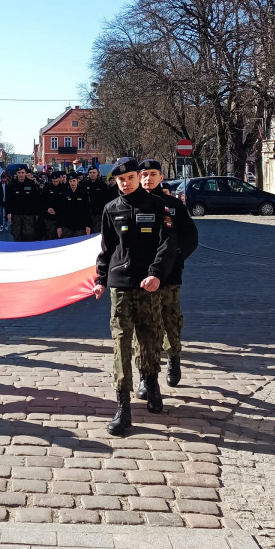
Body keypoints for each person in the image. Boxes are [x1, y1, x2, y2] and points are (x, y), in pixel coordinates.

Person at [93, 157, 177, 436]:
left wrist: (156, 274)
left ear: (137, 177)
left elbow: (168, 244)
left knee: (149, 337)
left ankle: (151, 383)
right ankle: (123, 406)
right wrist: (100, 279)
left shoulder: (157, 206)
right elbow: (106, 248)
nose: (125, 183)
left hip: (148, 284)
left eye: (129, 178)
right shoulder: (110, 208)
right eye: (120, 180)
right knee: (120, 343)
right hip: (119, 284)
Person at [135, 159, 199, 397]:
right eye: (144, 174)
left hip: (169, 276)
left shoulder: (173, 205)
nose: (148, 178)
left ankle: (173, 357)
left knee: (170, 320)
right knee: (142, 328)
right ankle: (145, 375)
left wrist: (176, 256)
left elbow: (190, 237)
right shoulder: (134, 204)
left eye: (153, 174)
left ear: (161, 177)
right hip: (141, 277)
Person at [6, 166, 40, 242]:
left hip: (28, 215)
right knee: (17, 235)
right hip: (16, 215)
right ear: (16, 173)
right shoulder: (12, 185)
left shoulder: (31, 184)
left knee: (29, 235)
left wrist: (37, 213)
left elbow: (36, 199)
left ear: (25, 173)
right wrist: (8, 213)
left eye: (22, 173)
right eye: (19, 173)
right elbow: (8, 200)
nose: (21, 174)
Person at [58, 172, 92, 239]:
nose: (72, 183)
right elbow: (61, 211)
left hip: (80, 226)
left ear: (77, 180)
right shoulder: (65, 194)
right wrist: (59, 226)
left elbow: (87, 210)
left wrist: (88, 225)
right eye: (70, 181)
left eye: (74, 181)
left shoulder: (83, 193)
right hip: (67, 226)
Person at [86, 166, 117, 233]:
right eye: (90, 172)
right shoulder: (84, 185)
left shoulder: (102, 185)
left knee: (97, 233)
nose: (92, 174)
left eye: (94, 172)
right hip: (87, 214)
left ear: (97, 173)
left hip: (99, 214)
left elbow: (107, 199)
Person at [41, 172, 66, 240]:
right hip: (49, 218)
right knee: (50, 237)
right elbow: (42, 201)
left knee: (60, 238)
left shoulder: (64, 188)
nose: (55, 183)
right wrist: (47, 209)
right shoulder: (47, 188)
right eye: (54, 181)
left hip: (60, 216)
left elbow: (65, 204)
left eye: (57, 181)